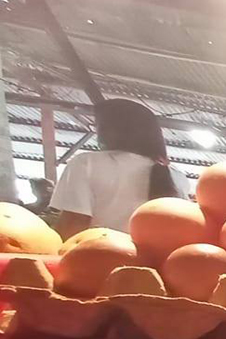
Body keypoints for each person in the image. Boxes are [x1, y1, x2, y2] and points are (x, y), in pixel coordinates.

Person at [50, 98, 191, 238]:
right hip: (155, 260)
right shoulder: (176, 175)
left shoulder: (86, 163)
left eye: (97, 126)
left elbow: (74, 223)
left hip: (100, 254)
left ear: (109, 130)